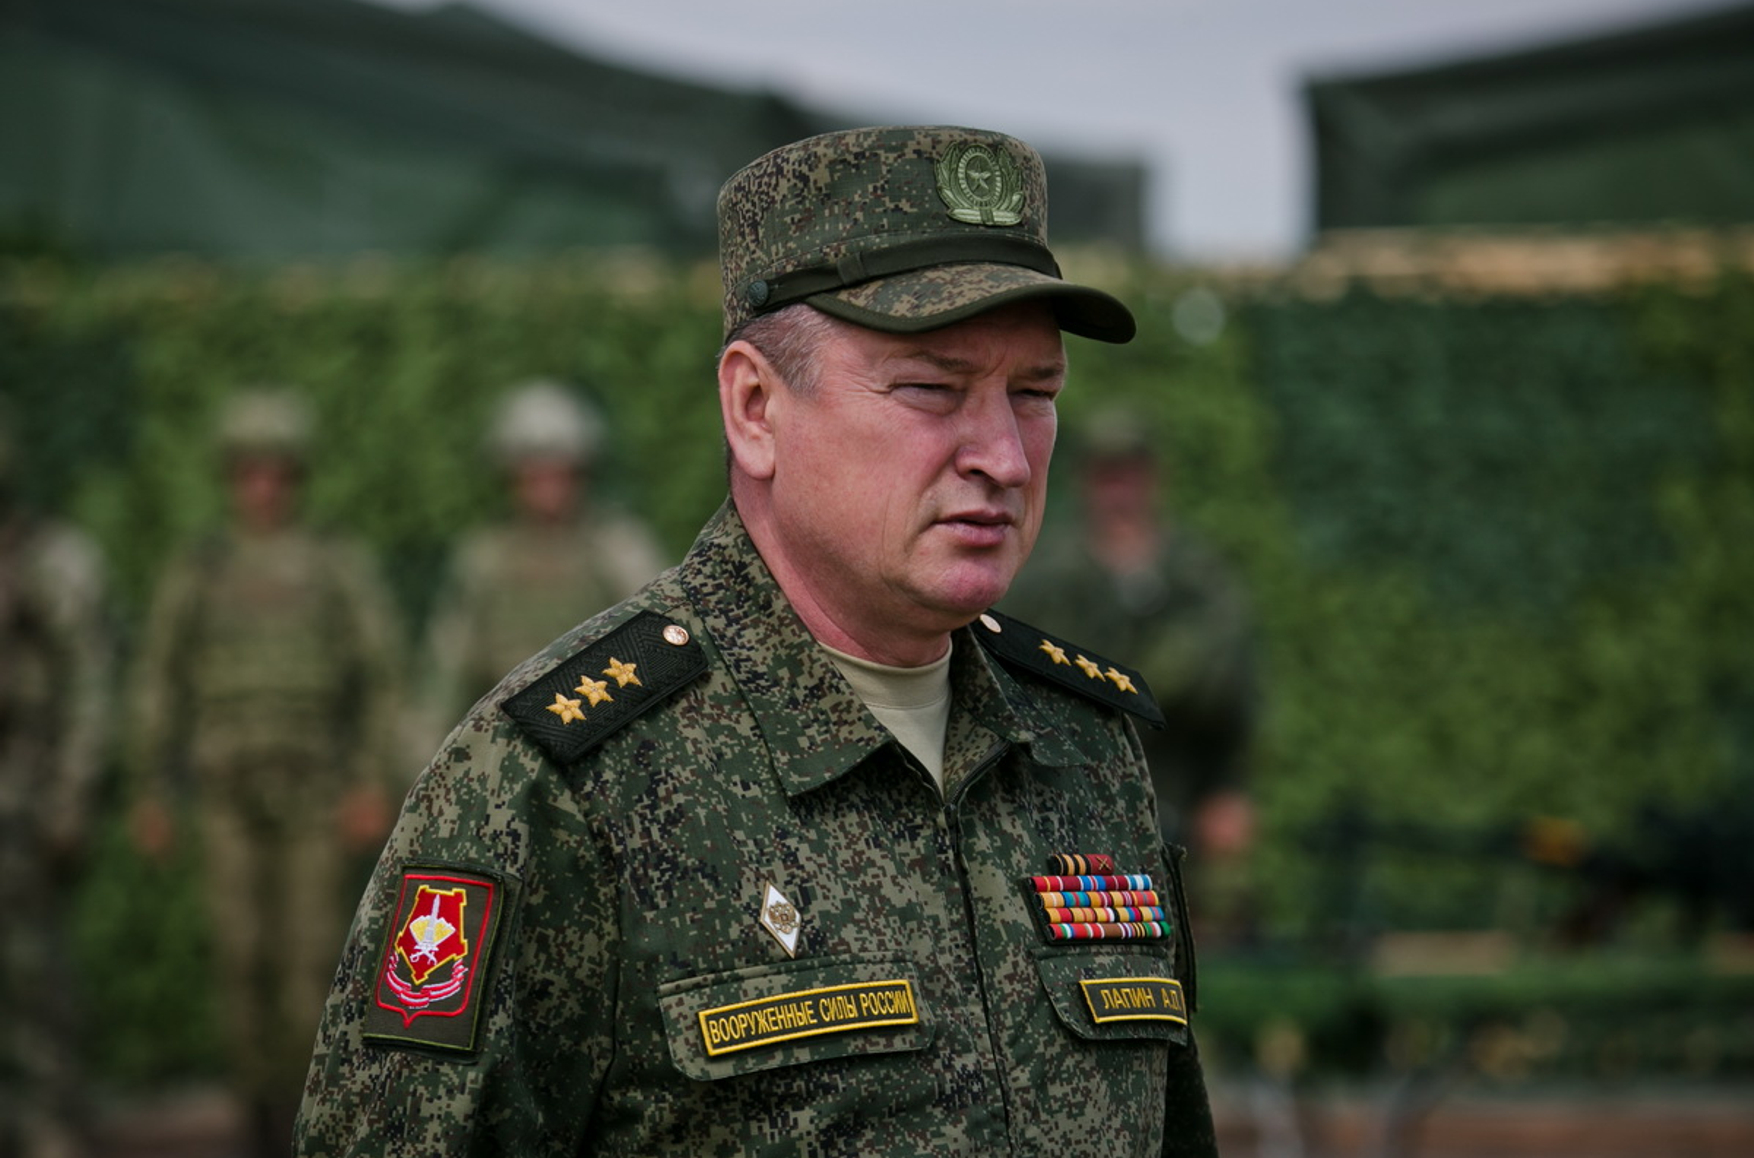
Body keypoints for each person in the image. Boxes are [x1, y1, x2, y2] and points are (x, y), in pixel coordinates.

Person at [297, 126, 1218, 1157]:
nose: (1003, 456)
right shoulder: (553, 791)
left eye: (1034, 394)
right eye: (930, 389)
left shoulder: (1085, 746)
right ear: (754, 408)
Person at [127, 388, 405, 1158]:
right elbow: (160, 678)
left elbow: (379, 676)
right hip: (227, 793)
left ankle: (314, 1114)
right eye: (249, 472)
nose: (263, 487)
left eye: (277, 472)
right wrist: (151, 786)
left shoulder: (334, 564)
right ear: (231, 478)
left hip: (315, 791)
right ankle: (256, 1109)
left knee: (315, 961)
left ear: (296, 477)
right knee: (241, 957)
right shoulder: (202, 568)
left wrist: (370, 781)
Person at [1005, 409, 1259, 861]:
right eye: (1107, 477)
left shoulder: (1197, 576)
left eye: (1130, 475)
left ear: (1154, 479)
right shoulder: (1044, 575)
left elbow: (1233, 693)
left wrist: (1227, 788)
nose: (1119, 493)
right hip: (1065, 799)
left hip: (1178, 797)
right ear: (1085, 482)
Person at [414, 380, 665, 752]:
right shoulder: (485, 558)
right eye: (534, 473)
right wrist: (426, 754)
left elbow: (659, 640)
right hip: (510, 746)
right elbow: (448, 667)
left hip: (605, 738)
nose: (547, 486)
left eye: (558, 471)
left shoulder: (614, 546)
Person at [0, 404, 109, 1158]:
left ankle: (50, 1121)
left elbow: (88, 685)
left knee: (31, 973)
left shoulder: (48, 560)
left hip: (20, 797)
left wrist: (71, 792)